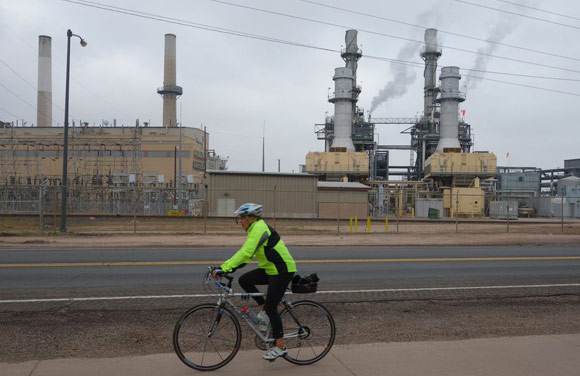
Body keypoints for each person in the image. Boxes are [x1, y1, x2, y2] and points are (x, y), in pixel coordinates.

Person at [212, 203, 297, 361]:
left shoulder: (259, 228)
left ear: (251, 218)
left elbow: (245, 253)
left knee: (273, 308)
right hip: (270, 269)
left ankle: (280, 346)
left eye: (242, 218)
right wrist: (225, 268)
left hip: (282, 270)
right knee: (245, 280)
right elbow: (245, 256)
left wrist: (224, 268)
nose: (240, 222)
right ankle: (263, 309)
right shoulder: (253, 230)